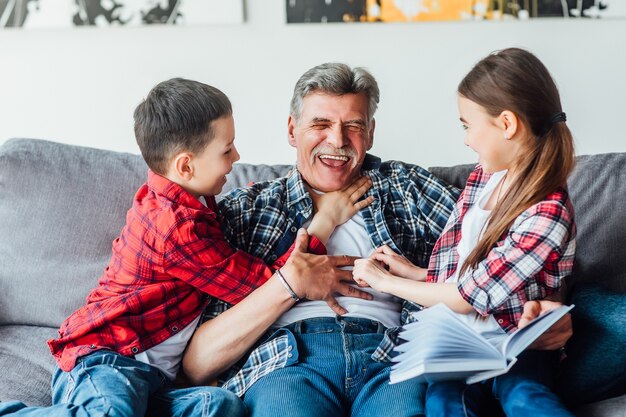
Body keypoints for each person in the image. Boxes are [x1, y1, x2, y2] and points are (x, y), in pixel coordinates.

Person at [182, 62, 574, 417]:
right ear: (292, 130)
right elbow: (198, 363)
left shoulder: (409, 188)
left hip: (392, 357)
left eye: (353, 125)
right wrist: (288, 285)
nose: (337, 140)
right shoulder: (248, 211)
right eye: (320, 124)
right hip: (288, 359)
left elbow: (504, 250)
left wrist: (548, 310)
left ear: (370, 132)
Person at [0, 77, 372, 417]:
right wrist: (323, 221)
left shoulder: (193, 201)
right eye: (227, 150)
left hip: (156, 379)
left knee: (221, 407)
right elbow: (267, 285)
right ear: (186, 166)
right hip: (109, 359)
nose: (238, 157)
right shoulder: (176, 228)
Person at [353, 47, 577, 417]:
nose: (466, 139)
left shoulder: (548, 211)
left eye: (467, 125)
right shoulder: (483, 179)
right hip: (459, 343)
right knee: (442, 403)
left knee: (523, 394)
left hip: (515, 343)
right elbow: (475, 271)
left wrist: (383, 282)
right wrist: (416, 273)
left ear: (506, 124)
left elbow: (471, 296)